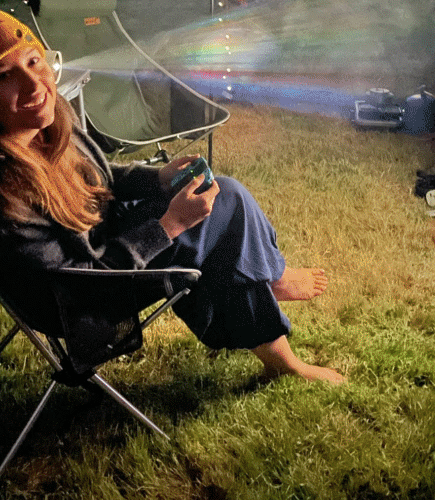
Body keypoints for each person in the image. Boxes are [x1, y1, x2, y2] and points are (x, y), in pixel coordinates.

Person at [0, 12, 343, 384]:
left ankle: (263, 276)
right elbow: (83, 289)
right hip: (81, 297)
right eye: (5, 75)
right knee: (219, 215)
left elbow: (99, 178)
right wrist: (170, 225)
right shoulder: (6, 194)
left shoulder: (46, 129)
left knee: (223, 195)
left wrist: (160, 179)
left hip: (104, 243)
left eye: (34, 61)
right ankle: (275, 324)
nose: (35, 84)